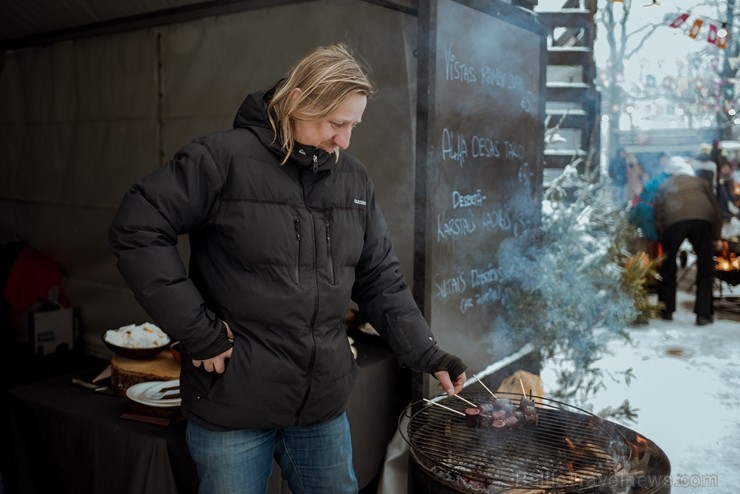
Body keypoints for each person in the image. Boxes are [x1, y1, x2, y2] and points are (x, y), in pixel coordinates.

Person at [108, 44, 467, 494]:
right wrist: (197, 331)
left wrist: (429, 353)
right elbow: (137, 227)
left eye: (354, 125)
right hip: (232, 404)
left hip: (320, 407)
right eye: (337, 124)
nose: (345, 140)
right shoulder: (219, 161)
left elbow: (380, 279)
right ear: (298, 100)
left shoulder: (353, 179)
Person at [653, 156, 724, 326]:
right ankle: (703, 314)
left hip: (673, 223)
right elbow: (716, 210)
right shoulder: (700, 182)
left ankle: (666, 310)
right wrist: (715, 237)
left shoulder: (664, 185)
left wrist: (664, 238)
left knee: (668, 267)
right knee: (706, 268)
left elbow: (658, 214)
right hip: (702, 220)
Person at [628, 152, 670, 258]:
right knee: (650, 236)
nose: (635, 169)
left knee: (651, 236)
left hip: (645, 208)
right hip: (645, 208)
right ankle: (653, 259)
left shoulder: (648, 178)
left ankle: (653, 258)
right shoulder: (643, 178)